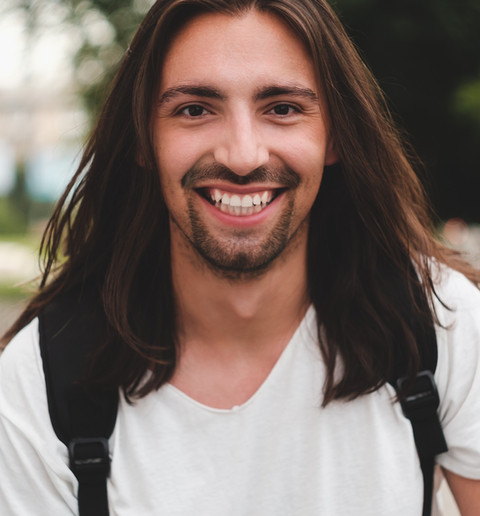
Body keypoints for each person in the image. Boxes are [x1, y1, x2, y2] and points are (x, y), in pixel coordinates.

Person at [1, 0, 479, 514]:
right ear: (144, 137)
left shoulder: (439, 320)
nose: (243, 155)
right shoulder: (39, 380)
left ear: (334, 136)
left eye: (282, 108)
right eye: (195, 110)